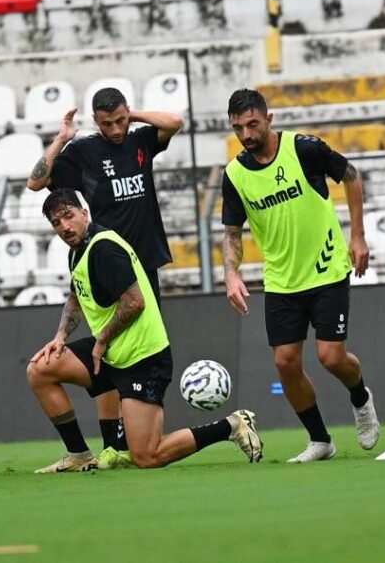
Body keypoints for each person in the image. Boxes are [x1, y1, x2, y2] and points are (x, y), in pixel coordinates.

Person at [27, 189, 263, 472]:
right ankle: (79, 454)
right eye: (57, 223)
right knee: (40, 370)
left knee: (147, 457)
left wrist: (101, 341)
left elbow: (135, 302)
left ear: (84, 213)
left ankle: (231, 425)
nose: (64, 226)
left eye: (68, 216)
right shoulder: (78, 251)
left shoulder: (104, 248)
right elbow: (76, 296)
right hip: (112, 351)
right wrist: (60, 336)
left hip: (143, 358)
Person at [26, 87, 184, 469]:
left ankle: (126, 442)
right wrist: (62, 139)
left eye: (120, 120)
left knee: (130, 351)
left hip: (142, 264)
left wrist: (134, 116)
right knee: (109, 352)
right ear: (95, 123)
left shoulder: (140, 140)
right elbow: (36, 182)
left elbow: (176, 122)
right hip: (103, 263)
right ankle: (115, 445)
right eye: (107, 123)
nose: (115, 130)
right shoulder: (85, 152)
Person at [221, 89, 380, 463]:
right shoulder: (235, 174)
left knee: (331, 357)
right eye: (238, 128)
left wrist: (357, 236)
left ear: (269, 119)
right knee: (285, 363)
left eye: (252, 124)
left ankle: (361, 397)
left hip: (326, 269)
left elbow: (351, 176)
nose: (246, 134)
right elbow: (232, 232)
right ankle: (320, 441)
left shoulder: (303, 148)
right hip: (281, 281)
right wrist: (231, 273)